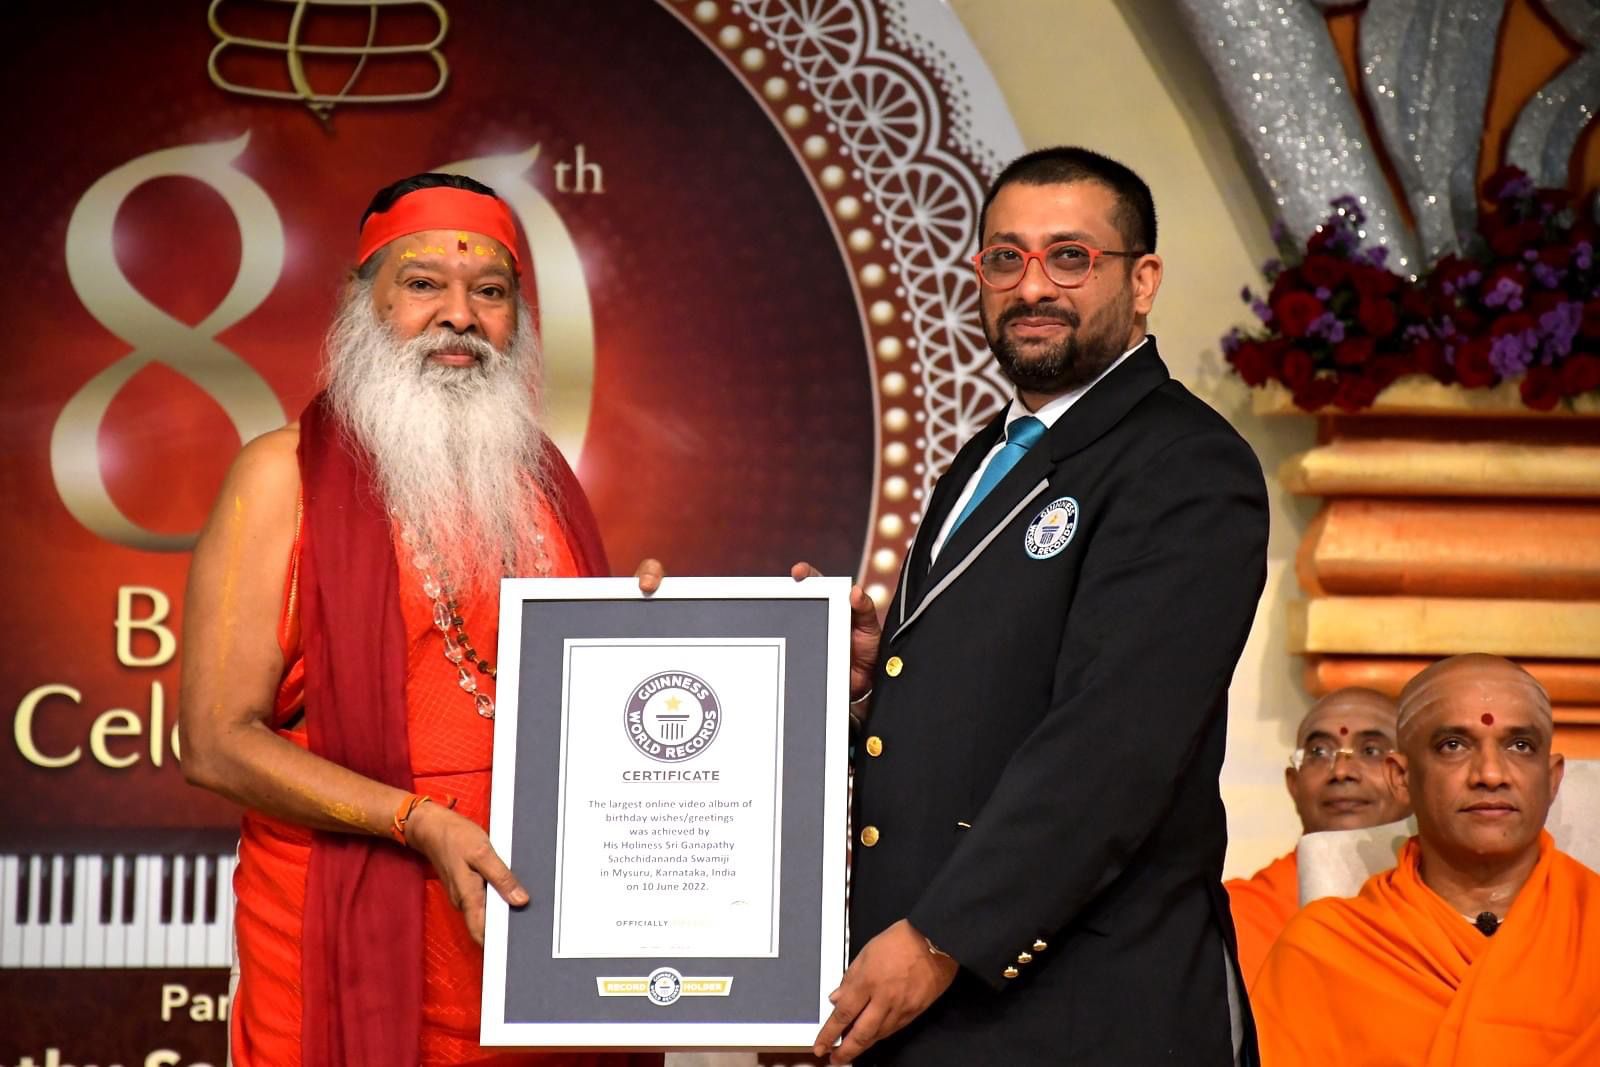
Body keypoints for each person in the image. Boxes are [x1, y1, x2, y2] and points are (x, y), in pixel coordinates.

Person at [179, 173, 662, 1067]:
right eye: (422, 284)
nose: (460, 316)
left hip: (541, 956)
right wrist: (416, 821)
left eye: (490, 292)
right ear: (365, 306)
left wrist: (652, 638)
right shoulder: (278, 477)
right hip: (343, 956)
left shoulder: (541, 484)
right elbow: (214, 741)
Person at [808, 146, 1270, 1066]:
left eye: (1070, 257)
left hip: (1080, 1006)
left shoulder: (1185, 462)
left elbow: (1114, 741)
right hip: (936, 1003)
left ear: (1142, 282)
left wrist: (944, 934)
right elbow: (993, 691)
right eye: (1005, 258)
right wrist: (872, 692)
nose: (1033, 286)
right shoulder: (991, 452)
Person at [1252, 654, 1600, 1065]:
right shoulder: (1324, 952)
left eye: (1519, 746)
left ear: (1553, 778)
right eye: (1453, 745)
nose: (1490, 773)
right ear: (1401, 778)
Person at [1226, 687, 1409, 986]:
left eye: (1371, 750)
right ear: (1293, 784)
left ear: (1411, 777)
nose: (1341, 770)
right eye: (1319, 752)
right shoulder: (1236, 915)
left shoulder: (1452, 905)